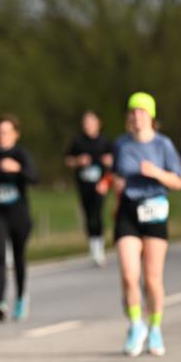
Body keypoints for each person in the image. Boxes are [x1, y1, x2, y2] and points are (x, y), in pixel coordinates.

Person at [112, 92, 181, 357]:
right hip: (128, 211)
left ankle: (155, 328)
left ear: (151, 117)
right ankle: (135, 325)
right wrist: (115, 185)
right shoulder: (120, 144)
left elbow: (178, 182)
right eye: (132, 112)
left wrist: (156, 173)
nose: (136, 116)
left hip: (155, 211)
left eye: (141, 112)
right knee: (129, 276)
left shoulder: (163, 145)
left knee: (152, 280)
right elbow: (116, 175)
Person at [0, 115, 38, 323]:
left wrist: (18, 169)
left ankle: (21, 297)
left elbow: (34, 177)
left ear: (15, 134)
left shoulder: (21, 154)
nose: (2, 136)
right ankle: (0, 303)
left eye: (6, 132)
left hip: (19, 213)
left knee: (18, 257)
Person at [65, 111, 114, 266]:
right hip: (84, 185)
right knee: (87, 215)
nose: (88, 126)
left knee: (97, 213)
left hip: (100, 184)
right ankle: (93, 247)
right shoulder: (78, 141)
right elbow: (67, 160)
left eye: (91, 122)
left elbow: (114, 162)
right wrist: (78, 161)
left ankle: (99, 248)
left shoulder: (105, 142)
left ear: (98, 124)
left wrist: (108, 165)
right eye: (86, 123)